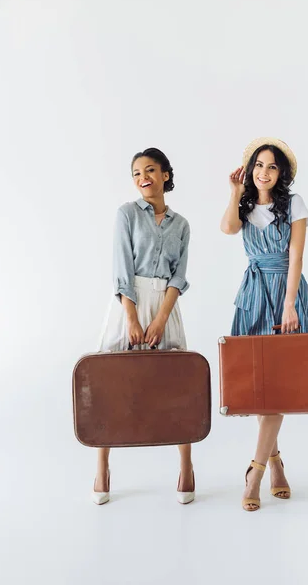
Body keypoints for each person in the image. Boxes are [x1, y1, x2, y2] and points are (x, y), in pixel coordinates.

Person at [221, 137, 308, 512]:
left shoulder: (293, 204)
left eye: (272, 166)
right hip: (253, 296)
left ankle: (257, 472)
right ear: (250, 171)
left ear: (281, 174)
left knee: (278, 385)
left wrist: (290, 304)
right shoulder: (244, 206)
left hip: (286, 294)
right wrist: (235, 192)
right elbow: (228, 229)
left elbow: (296, 257)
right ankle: (276, 463)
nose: (264, 172)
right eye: (258, 165)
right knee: (262, 386)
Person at [92, 147, 195, 506]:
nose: (142, 178)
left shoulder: (181, 224)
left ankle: (186, 466)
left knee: (179, 383)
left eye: (150, 170)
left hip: (165, 305)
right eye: (136, 173)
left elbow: (178, 277)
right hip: (129, 302)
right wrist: (132, 317)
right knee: (109, 381)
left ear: (166, 174)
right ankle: (102, 466)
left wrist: (161, 318)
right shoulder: (126, 215)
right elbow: (122, 270)